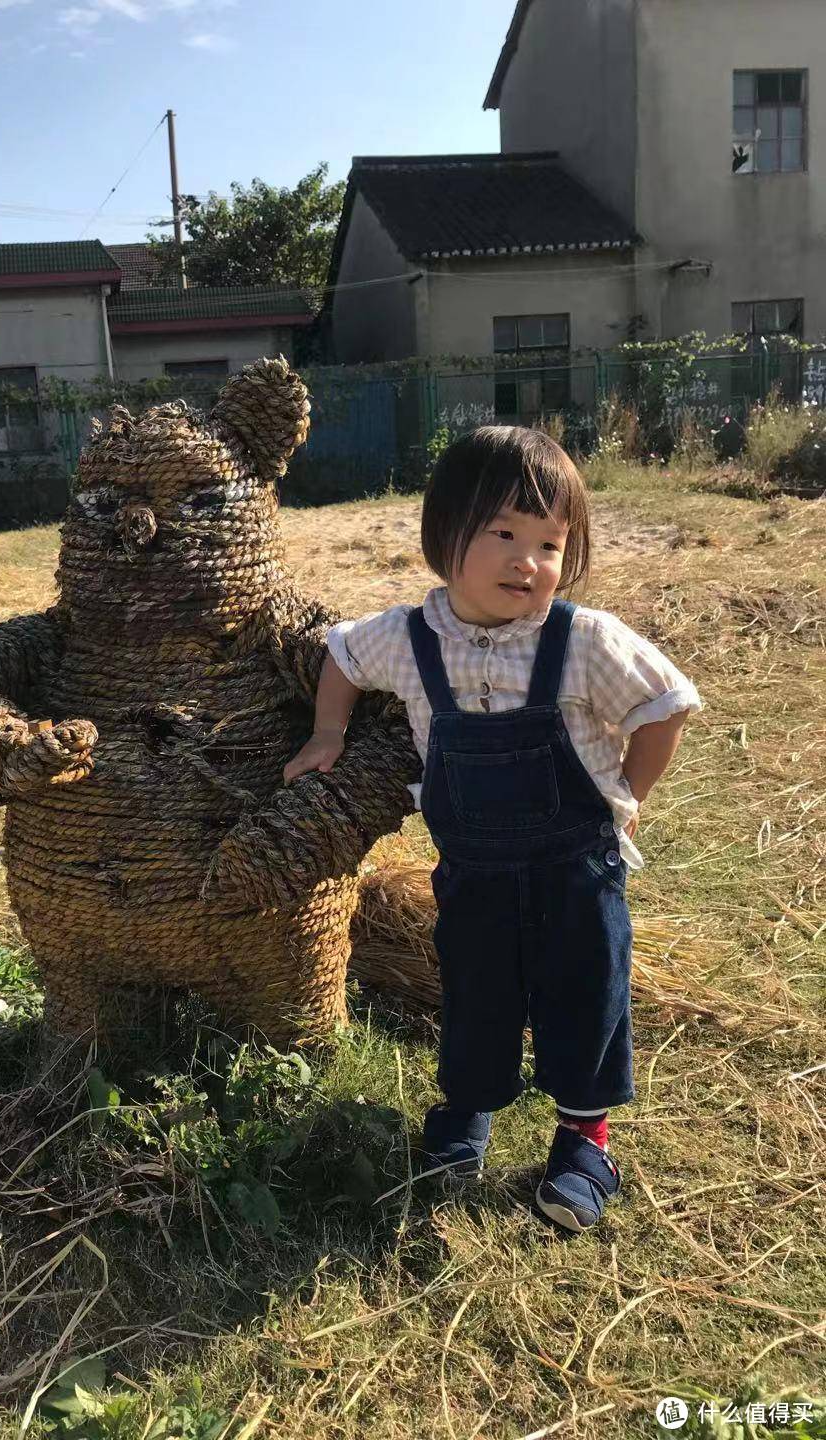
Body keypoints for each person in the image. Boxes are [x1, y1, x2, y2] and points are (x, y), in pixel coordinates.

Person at [283, 427, 701, 1231]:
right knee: (476, 997)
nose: (528, 560)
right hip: (472, 872)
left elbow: (666, 706)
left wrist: (629, 793)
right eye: (504, 533)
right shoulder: (406, 638)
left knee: (586, 996)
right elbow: (340, 656)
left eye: (550, 542)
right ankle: (468, 1109)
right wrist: (328, 732)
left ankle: (585, 1137)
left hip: (577, 869)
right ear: (446, 535)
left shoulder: (582, 640)